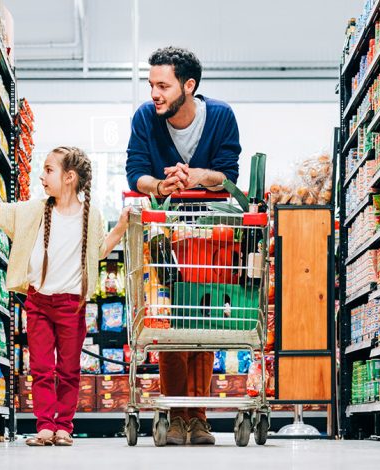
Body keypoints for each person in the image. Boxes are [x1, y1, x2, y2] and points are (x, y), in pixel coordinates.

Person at [0, 147, 129, 447]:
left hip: (72, 305)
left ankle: (64, 426)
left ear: (69, 177)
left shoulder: (91, 216)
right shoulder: (36, 211)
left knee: (68, 369)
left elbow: (97, 253)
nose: (42, 176)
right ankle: (45, 426)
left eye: (49, 170)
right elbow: (0, 212)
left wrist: (119, 228)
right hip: (38, 302)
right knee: (41, 367)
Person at [125, 46, 242, 445]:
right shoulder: (145, 118)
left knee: (204, 319)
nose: (154, 93)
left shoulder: (222, 117)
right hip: (166, 232)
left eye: (163, 85)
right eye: (151, 84)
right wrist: (159, 185)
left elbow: (228, 175)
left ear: (188, 85)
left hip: (212, 233)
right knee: (172, 321)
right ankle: (176, 413)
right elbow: (135, 171)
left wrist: (195, 177)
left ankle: (199, 416)